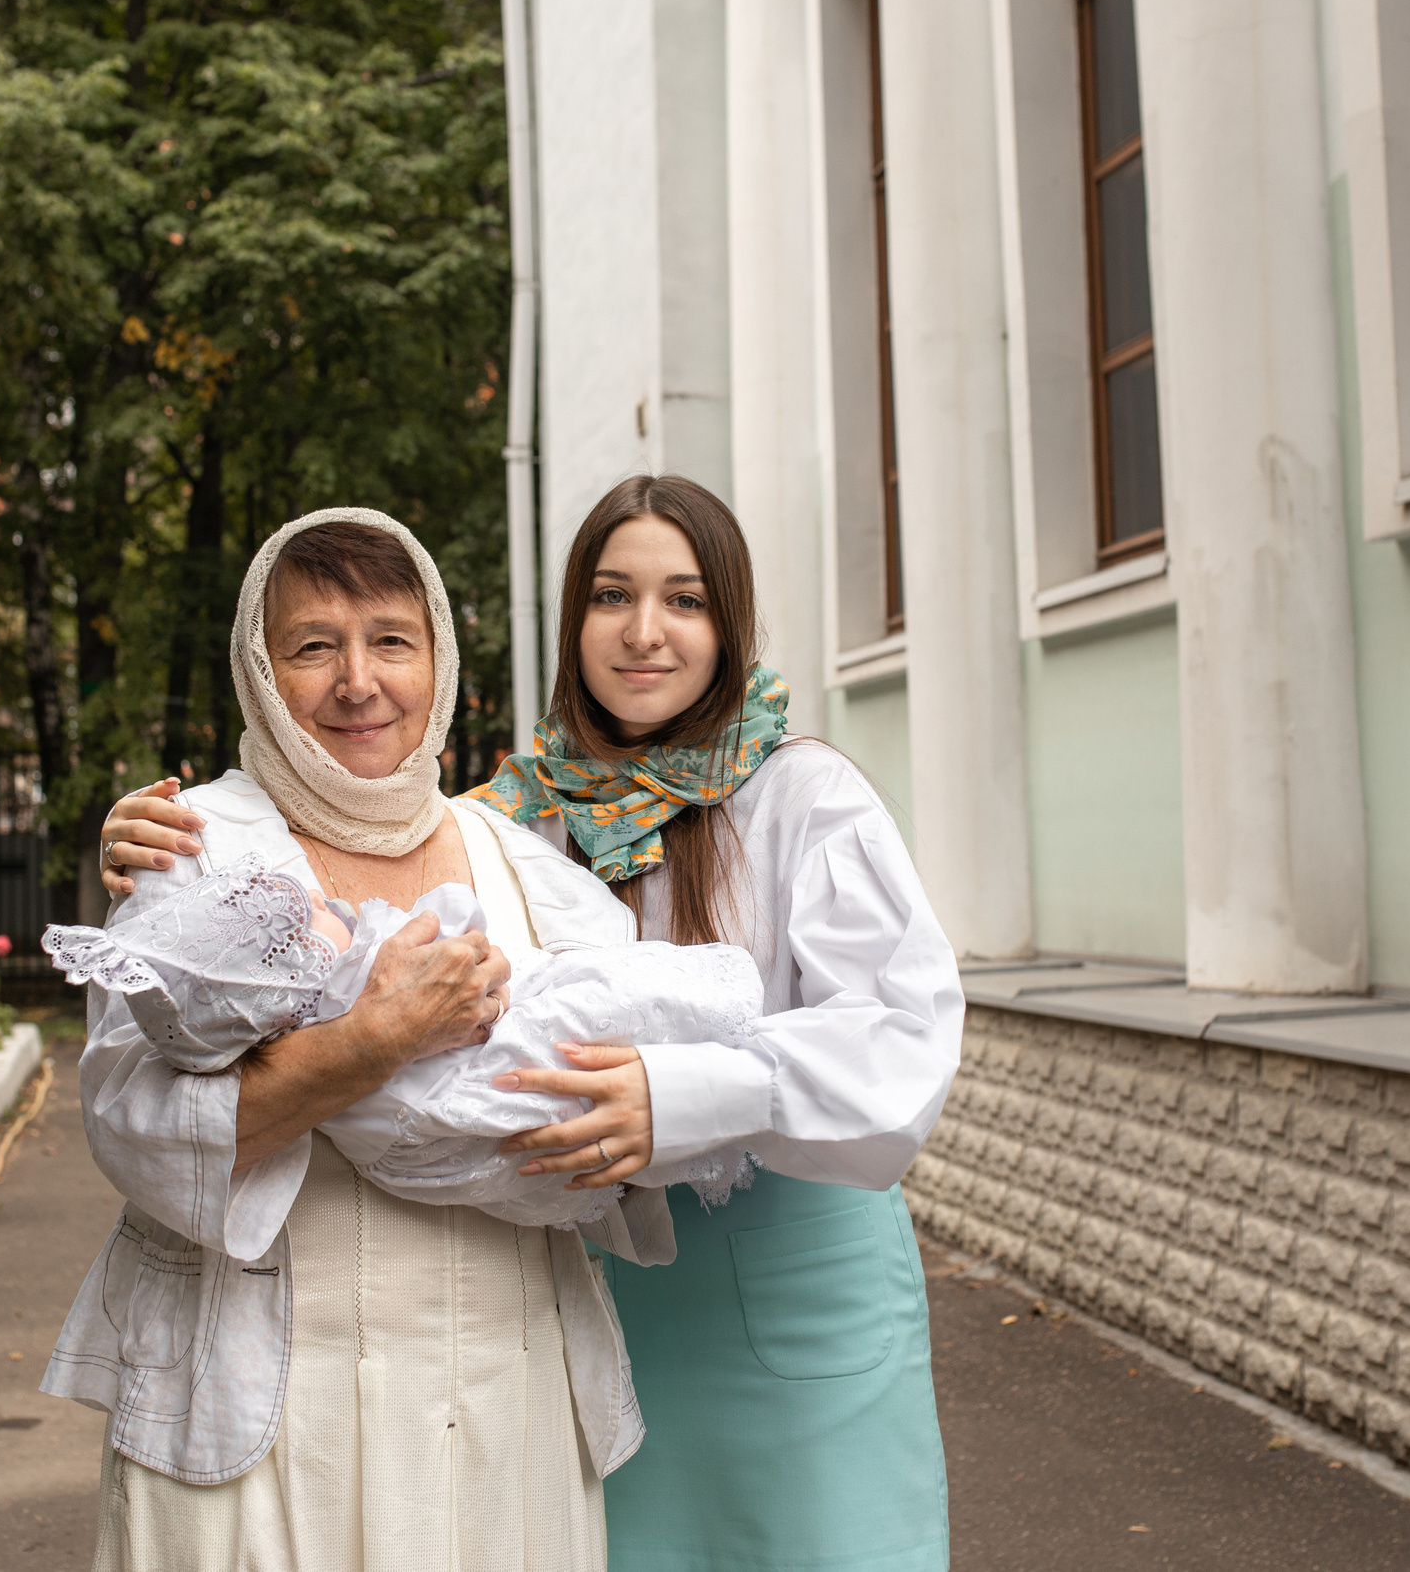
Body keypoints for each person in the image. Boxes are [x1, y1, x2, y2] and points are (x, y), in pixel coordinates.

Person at [103, 474, 963, 1572]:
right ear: (571, 624)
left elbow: (901, 1042)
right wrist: (156, 871)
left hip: (787, 1268)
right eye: (611, 596)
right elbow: (325, 886)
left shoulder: (802, 796)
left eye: (686, 601)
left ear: (731, 623)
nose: (644, 632)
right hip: (611, 1288)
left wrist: (681, 1096)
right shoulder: (520, 818)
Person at [46, 507, 679, 1572]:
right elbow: (132, 1129)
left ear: (439, 660)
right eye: (312, 646)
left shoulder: (526, 870)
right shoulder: (192, 851)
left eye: (392, 638)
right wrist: (374, 1040)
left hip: (499, 1410)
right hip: (263, 1430)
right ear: (259, 667)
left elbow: (626, 1116)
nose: (357, 681)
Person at [40, 853, 764, 1227]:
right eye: (314, 645)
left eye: (392, 639)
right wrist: (388, 1029)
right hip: (470, 1105)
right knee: (567, 1039)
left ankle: (702, 1019)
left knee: (585, 1018)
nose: (328, 903)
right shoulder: (334, 970)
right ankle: (708, 1004)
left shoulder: (498, 827)